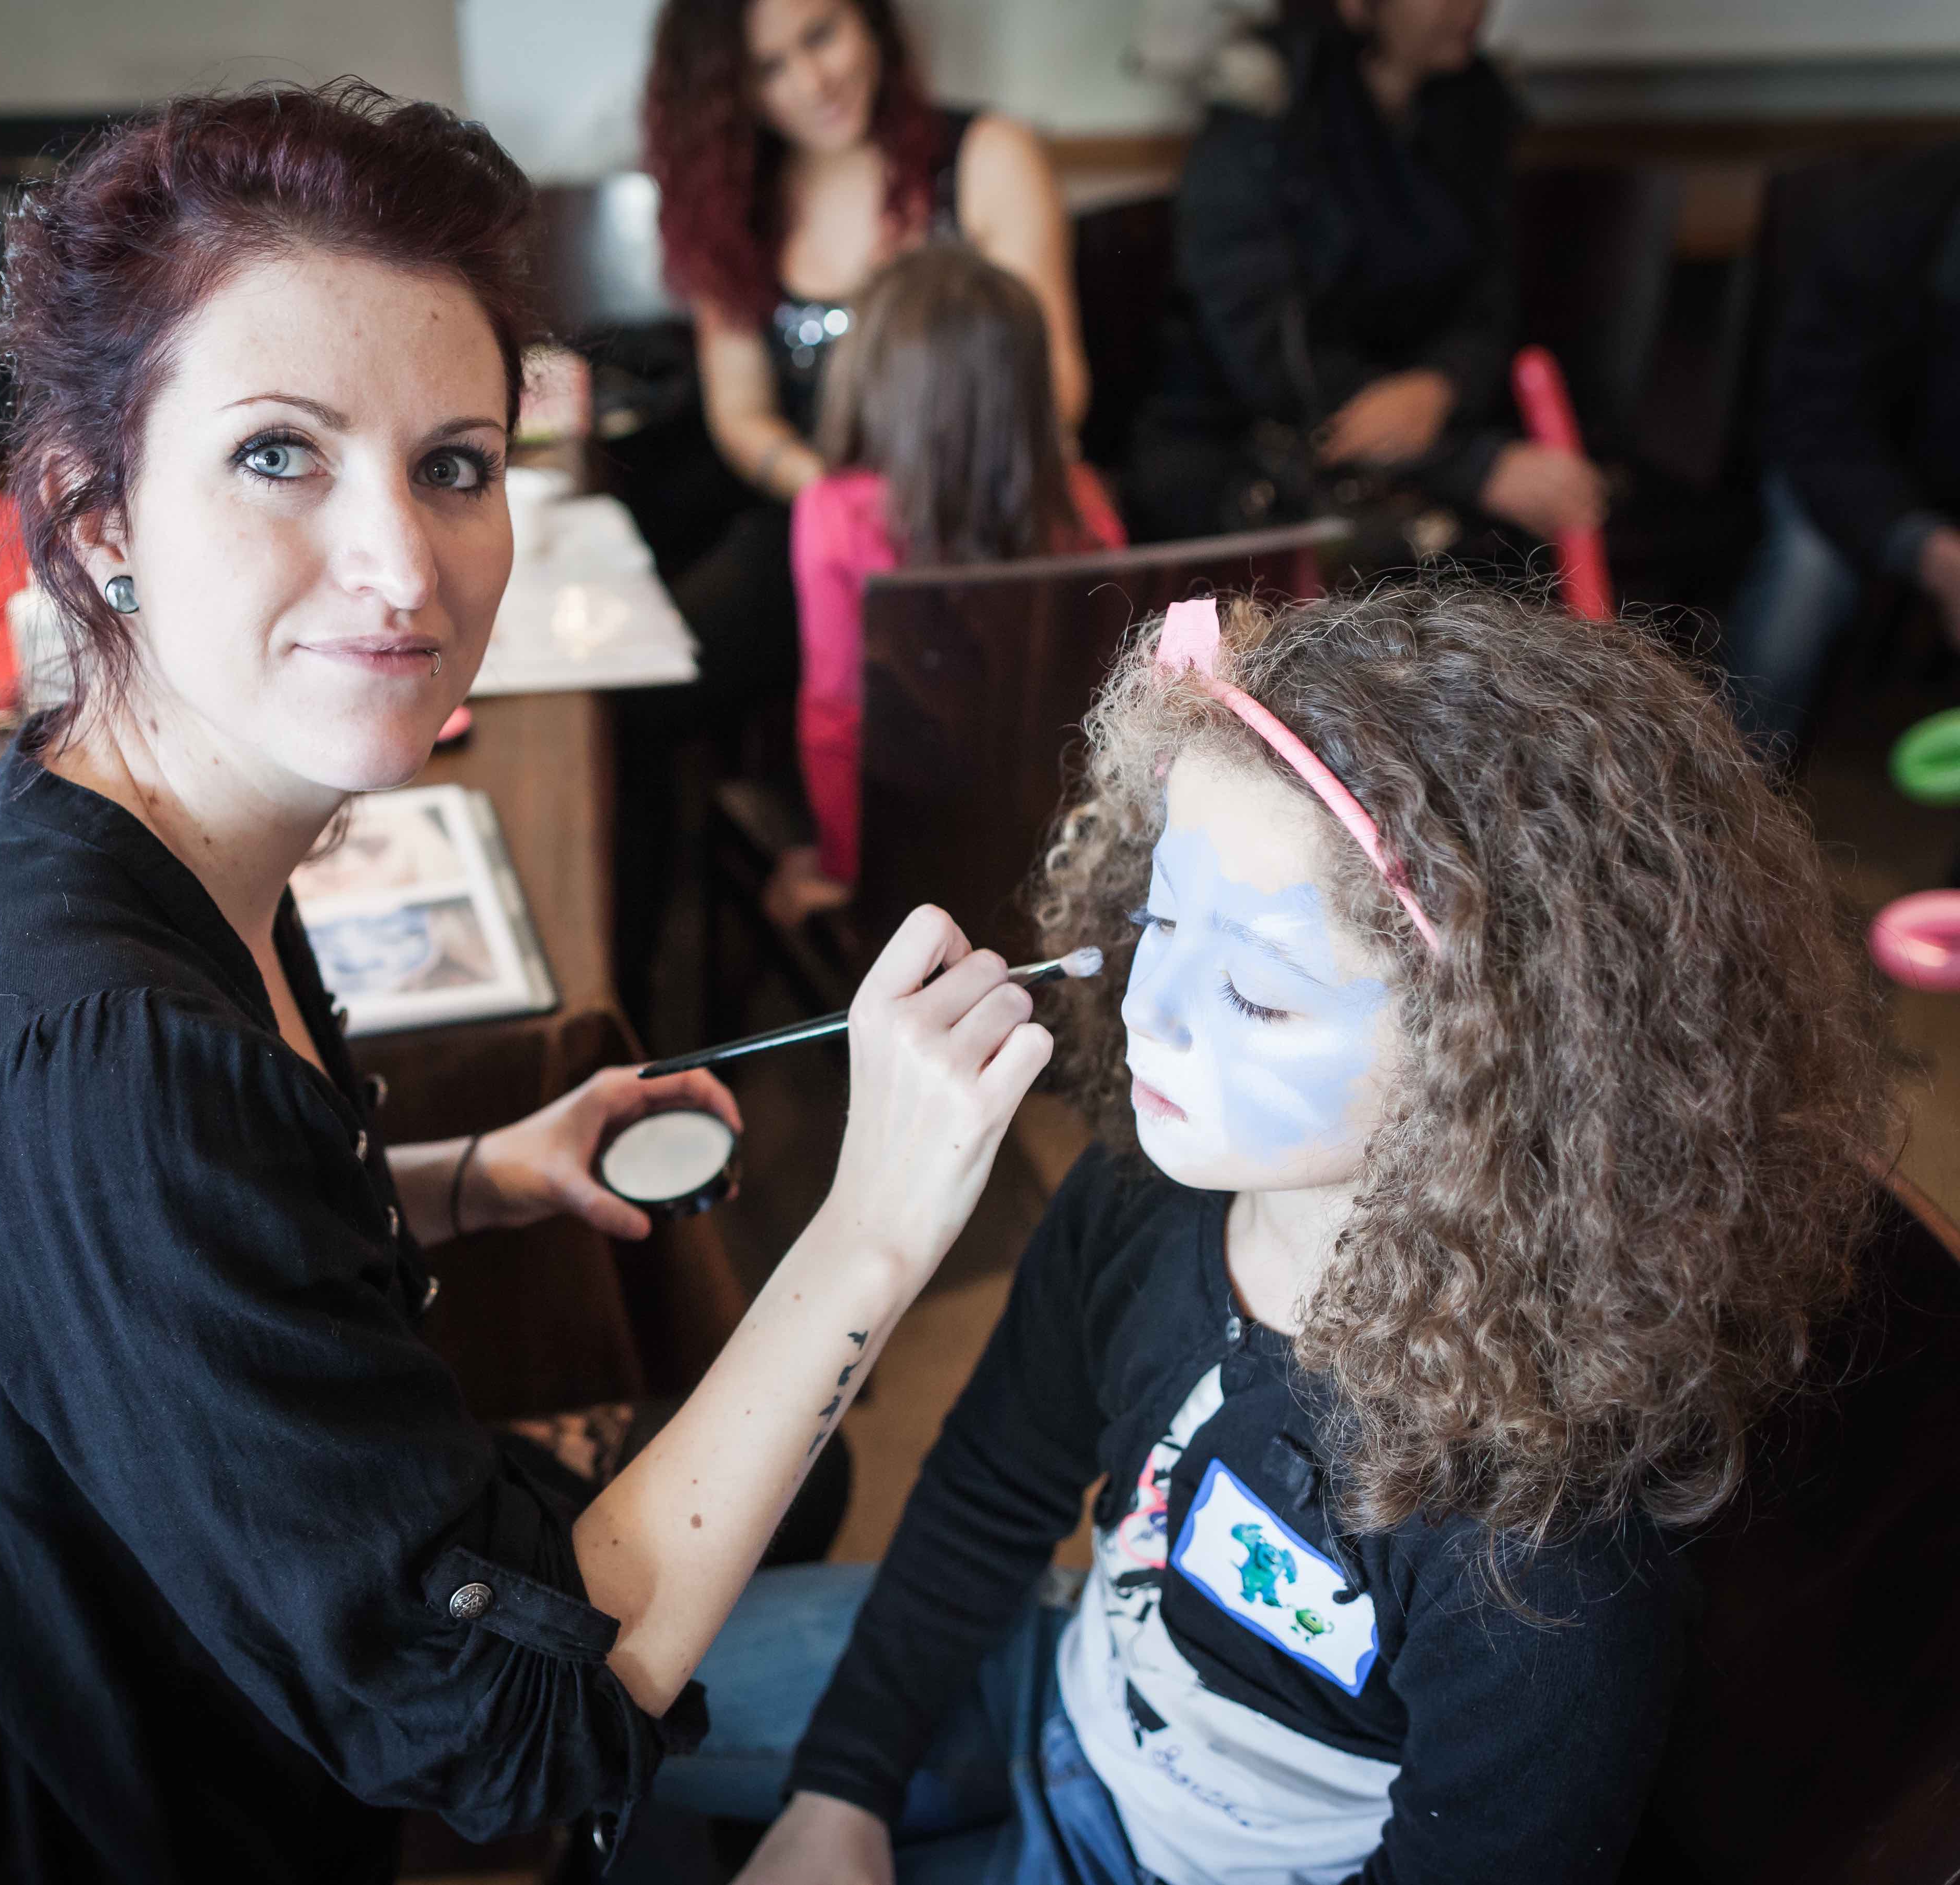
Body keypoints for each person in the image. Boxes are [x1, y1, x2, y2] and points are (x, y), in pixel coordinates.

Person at [0, 82, 1058, 1884]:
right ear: (91, 506)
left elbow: (163, 1292)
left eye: (452, 463)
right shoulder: (101, 1058)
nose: (402, 562)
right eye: (279, 452)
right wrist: (881, 1219)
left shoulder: (125, 833)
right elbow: (516, 1732)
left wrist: (471, 1173)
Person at [643, 585, 1891, 1881]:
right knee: (608, 1713)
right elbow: (989, 1493)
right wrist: (840, 1791)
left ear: (1499, 1065)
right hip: (1062, 1695)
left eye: (1254, 990)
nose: (1151, 1008)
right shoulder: (1135, 1199)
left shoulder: (1536, 1546)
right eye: (1157, 921)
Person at [617, 0, 1088, 1036]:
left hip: (996, 514)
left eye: (821, 36)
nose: (809, 81)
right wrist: (841, 507)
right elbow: (739, 414)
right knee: (642, 692)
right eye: (767, 67)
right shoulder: (731, 208)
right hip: (815, 521)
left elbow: (1056, 387)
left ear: (872, 22)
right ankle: (631, 999)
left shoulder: (985, 157)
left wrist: (928, 495)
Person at [1125, 0, 1604, 564]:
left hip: (1423, 424)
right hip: (1246, 441)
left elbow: (1488, 302)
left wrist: (1440, 384)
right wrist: (1467, 464)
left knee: (1548, 514)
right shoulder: (1267, 99)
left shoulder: (1475, 100)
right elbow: (1265, 352)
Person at [773, 245, 1126, 925]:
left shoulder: (832, 512)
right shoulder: (1085, 507)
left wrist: (844, 868)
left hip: (907, 876)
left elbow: (835, 716)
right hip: (1056, 859)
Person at [1722, 141, 1960, 750]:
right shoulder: (1882, 216)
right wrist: (1928, 549)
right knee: (1803, 580)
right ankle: (1727, 798)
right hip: (1856, 476)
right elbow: (1814, 421)